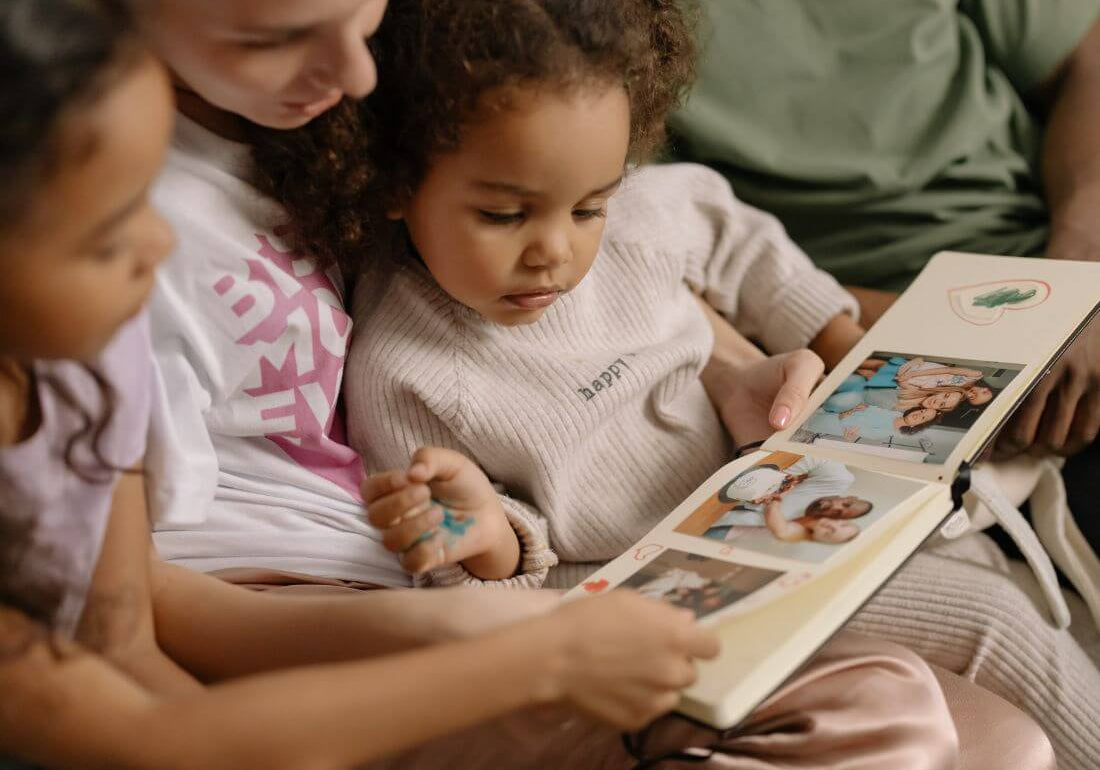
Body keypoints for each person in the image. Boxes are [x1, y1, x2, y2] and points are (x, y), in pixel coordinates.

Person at [1, 4, 1016, 769]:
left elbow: (614, 262)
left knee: (988, 727)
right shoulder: (97, 211)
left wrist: (725, 366)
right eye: (284, 32)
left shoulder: (303, 109)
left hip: (458, 579)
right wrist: (491, 637)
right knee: (890, 708)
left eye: (364, 18)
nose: (357, 69)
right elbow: (138, 661)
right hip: (378, 610)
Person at [667, 0, 1100, 546]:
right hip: (892, 324)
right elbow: (659, 254)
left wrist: (1077, 284)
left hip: (1065, 248)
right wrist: (984, 341)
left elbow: (1086, 57)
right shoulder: (597, 30)